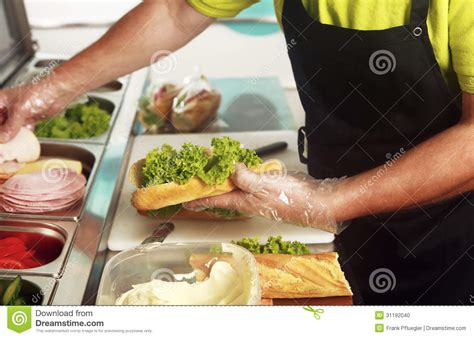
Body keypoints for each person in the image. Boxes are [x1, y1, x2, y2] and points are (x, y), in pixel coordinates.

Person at [0, 0, 473, 305]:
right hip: (324, 204)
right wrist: (48, 90)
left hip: (446, 229)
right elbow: (177, 11)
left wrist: (332, 201)